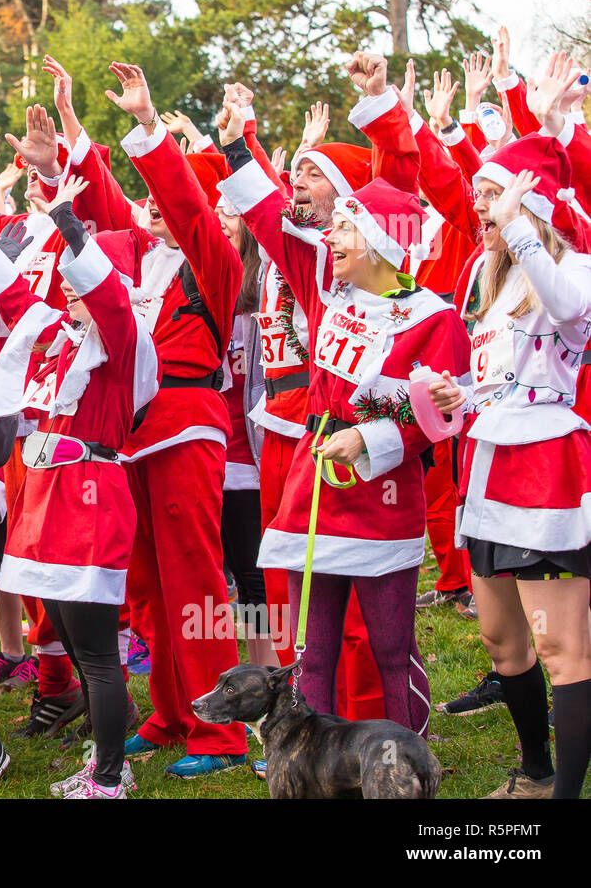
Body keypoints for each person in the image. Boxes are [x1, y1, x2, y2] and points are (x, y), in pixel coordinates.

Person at [218, 61, 472, 737]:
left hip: (382, 498)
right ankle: (310, 768)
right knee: (311, 650)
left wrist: (371, 440)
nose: (330, 236)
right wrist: (236, 147)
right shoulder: (328, 295)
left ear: (381, 243)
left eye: (346, 229)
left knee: (392, 649)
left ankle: (405, 761)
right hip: (314, 486)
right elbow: (274, 221)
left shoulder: (432, 316)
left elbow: (445, 411)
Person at [0, 163, 158, 797]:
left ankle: (109, 777)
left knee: (96, 651)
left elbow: (110, 302)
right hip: (45, 499)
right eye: (66, 287)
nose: (68, 294)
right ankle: (112, 752)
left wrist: (69, 222)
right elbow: (16, 301)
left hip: (90, 498)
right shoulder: (63, 339)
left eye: (81, 285)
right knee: (70, 637)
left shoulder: (123, 343)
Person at [431, 125, 591, 799]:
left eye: (494, 196)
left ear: (531, 204)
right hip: (488, 471)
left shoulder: (571, 265)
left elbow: (573, 314)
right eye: (481, 198)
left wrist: (522, 226)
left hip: (546, 471)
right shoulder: (491, 282)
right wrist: (454, 393)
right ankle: (535, 773)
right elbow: (497, 380)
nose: (482, 211)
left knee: (561, 647)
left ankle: (563, 797)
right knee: (504, 644)